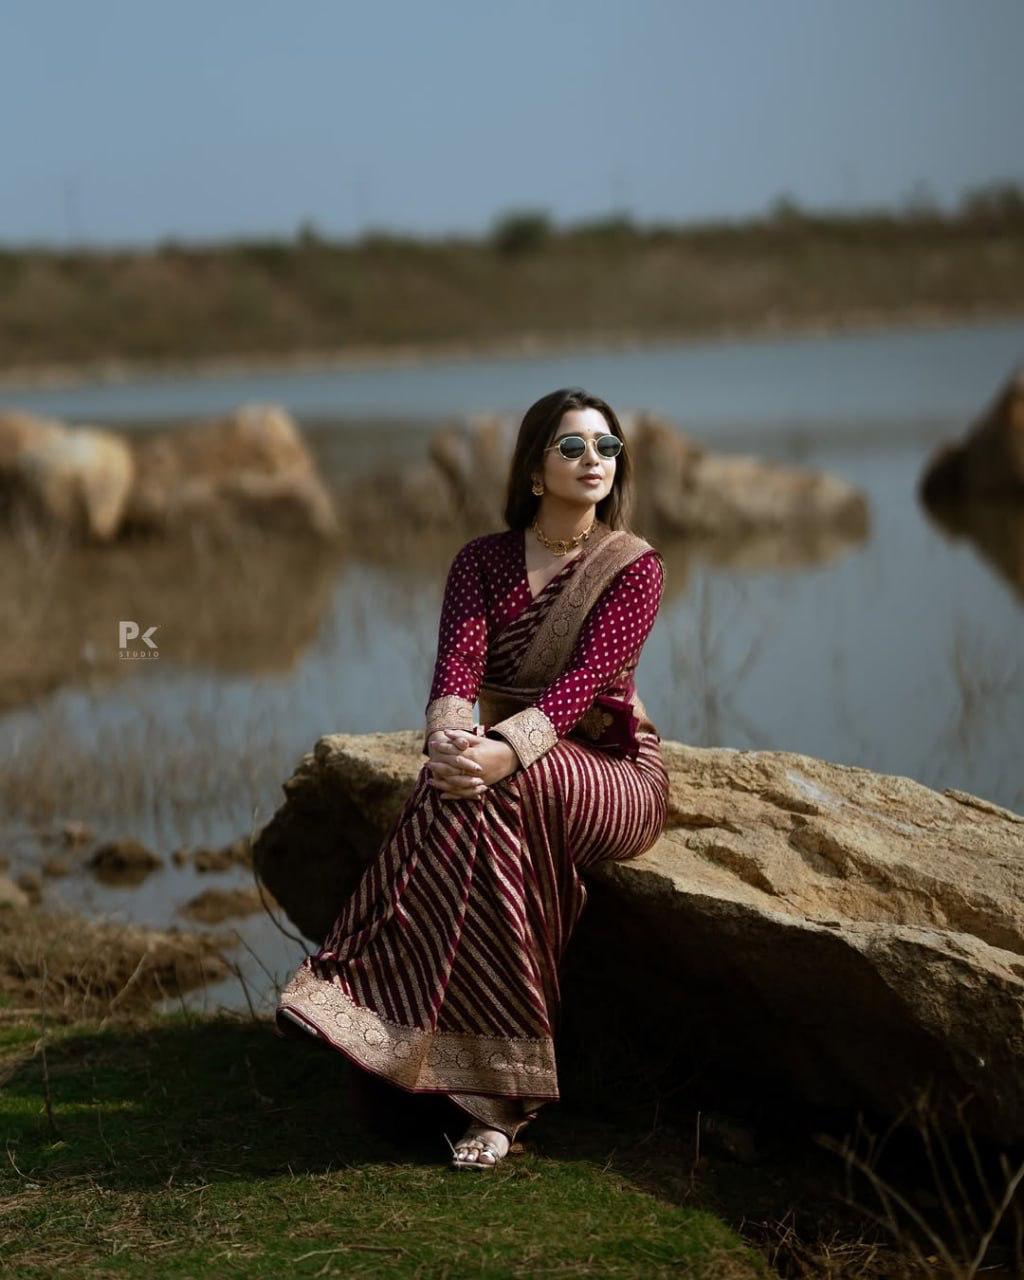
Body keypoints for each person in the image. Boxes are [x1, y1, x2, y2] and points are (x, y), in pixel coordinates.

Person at [275, 386, 669, 1170]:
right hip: (503, 757)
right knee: (456, 790)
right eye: (574, 447)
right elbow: (455, 666)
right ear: (533, 470)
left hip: (613, 771)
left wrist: (501, 750)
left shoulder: (632, 567)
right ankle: (477, 1088)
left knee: (496, 785)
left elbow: (583, 685)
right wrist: (452, 744)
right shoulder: (482, 561)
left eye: (607, 447)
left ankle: (370, 1003)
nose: (595, 461)